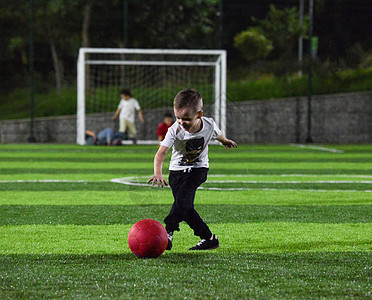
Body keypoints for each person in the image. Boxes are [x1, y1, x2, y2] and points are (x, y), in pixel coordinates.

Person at [147, 88, 237, 251]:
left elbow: (218, 134)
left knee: (182, 202)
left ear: (199, 115)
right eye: (178, 117)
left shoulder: (209, 124)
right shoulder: (174, 129)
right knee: (185, 207)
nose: (181, 122)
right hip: (176, 172)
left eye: (186, 119)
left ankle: (168, 230)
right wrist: (158, 173)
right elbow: (161, 153)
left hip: (198, 169)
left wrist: (225, 141)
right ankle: (209, 238)